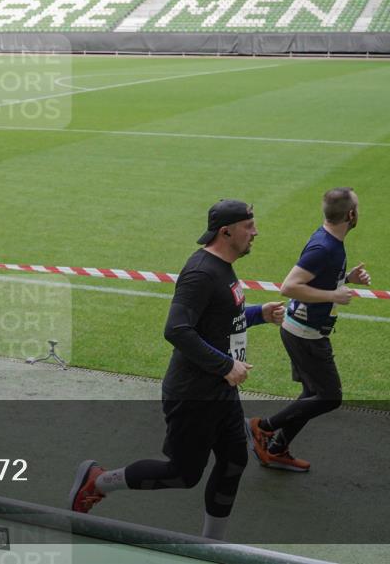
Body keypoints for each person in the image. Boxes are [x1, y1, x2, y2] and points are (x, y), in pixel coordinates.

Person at [68, 199, 284, 541]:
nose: (255, 232)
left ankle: (212, 545)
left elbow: (220, 317)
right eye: (249, 226)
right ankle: (98, 481)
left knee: (233, 462)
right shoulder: (201, 272)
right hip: (194, 395)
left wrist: (258, 313)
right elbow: (177, 329)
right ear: (226, 231)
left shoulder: (223, 267)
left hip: (220, 391)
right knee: (183, 474)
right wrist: (226, 365)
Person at [247, 187, 369, 473]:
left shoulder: (330, 241)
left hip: (303, 330)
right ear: (351, 214)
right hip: (305, 335)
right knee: (329, 397)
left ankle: (276, 450)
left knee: (312, 393)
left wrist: (347, 278)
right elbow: (288, 286)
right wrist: (333, 296)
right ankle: (262, 428)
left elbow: (321, 276)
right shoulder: (324, 247)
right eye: (358, 208)